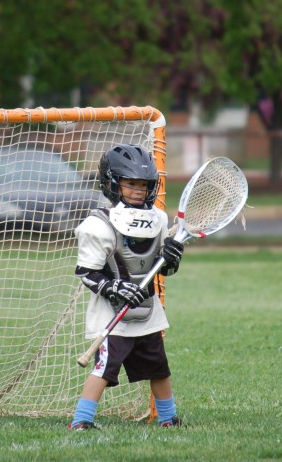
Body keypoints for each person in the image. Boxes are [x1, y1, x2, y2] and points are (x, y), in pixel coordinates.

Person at [69, 144, 185, 430]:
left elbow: (160, 267)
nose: (138, 190)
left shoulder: (158, 219)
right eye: (130, 183)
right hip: (112, 315)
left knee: (159, 367)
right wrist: (116, 288)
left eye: (143, 185)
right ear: (112, 183)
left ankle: (169, 418)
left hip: (147, 311)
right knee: (105, 369)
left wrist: (170, 258)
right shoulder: (98, 225)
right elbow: (87, 273)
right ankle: (81, 421)